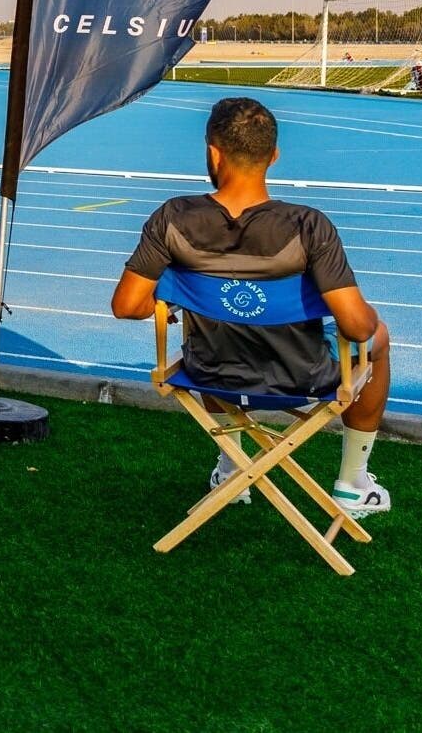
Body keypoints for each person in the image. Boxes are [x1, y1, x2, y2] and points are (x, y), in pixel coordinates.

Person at [108, 97, 392, 519]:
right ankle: (352, 483)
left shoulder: (173, 218)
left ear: (213, 151)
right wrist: (369, 320)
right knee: (379, 337)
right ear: (273, 156)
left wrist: (176, 299)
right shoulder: (308, 226)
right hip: (303, 376)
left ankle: (231, 467)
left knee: (211, 333)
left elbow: (127, 306)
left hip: (209, 372)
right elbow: (354, 324)